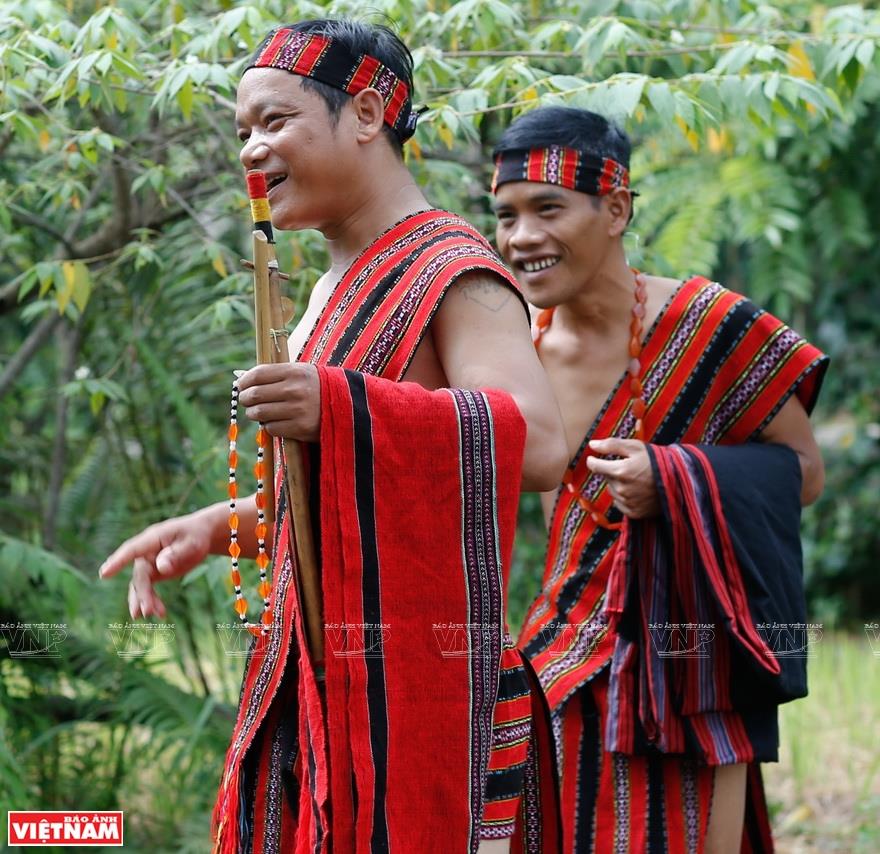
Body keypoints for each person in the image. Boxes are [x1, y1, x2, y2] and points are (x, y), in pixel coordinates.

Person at [99, 20, 568, 854]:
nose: (251, 150)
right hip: (317, 698)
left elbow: (534, 445)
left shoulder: (449, 268)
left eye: (275, 122)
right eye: (241, 132)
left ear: (366, 110)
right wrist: (220, 526)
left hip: (419, 705)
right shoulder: (326, 289)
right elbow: (344, 499)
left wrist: (341, 402)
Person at [490, 106, 828, 853]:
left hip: (691, 674)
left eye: (548, 208)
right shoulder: (517, 353)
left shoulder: (711, 324)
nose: (521, 238)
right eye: (506, 215)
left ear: (615, 209)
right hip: (558, 665)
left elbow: (804, 474)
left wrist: (675, 477)